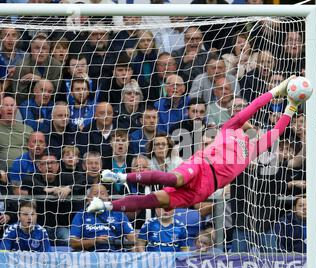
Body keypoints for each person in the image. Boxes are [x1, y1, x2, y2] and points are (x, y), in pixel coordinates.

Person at [86, 75, 302, 215]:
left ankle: (105, 205)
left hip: (206, 188)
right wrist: (276, 91)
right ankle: (121, 176)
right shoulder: (229, 128)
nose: (246, 122)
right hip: (200, 166)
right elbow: (253, 106)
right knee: (174, 177)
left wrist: (291, 106)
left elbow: (278, 131)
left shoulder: (255, 147)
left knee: (154, 200)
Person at [70, 184, 136, 252]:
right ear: (88, 198)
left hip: (115, 254)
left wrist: (135, 247)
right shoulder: (81, 215)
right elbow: (73, 243)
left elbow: (132, 237)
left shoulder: (119, 214)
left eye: (102, 193)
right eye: (95, 194)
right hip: (90, 255)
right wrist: (95, 241)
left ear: (108, 198)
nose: (99, 196)